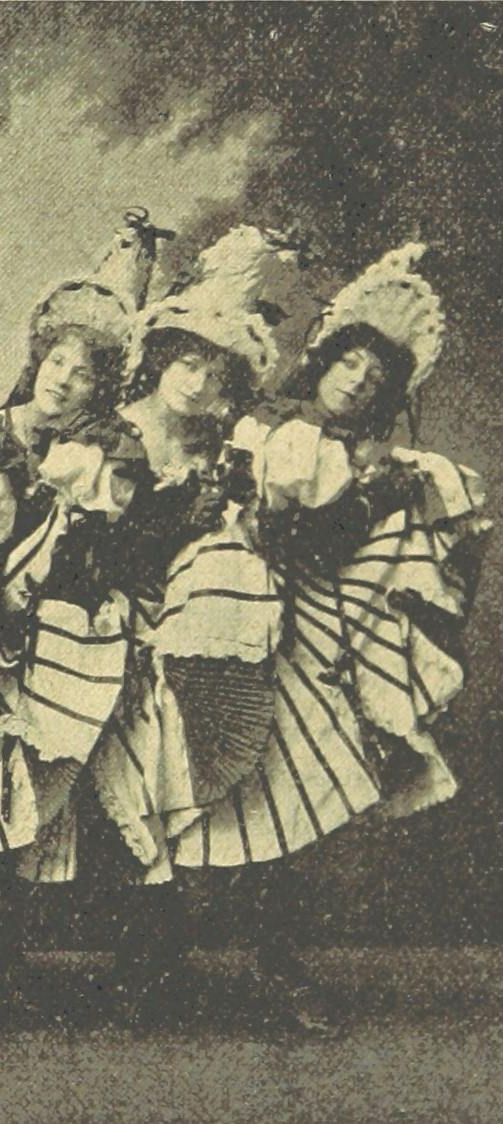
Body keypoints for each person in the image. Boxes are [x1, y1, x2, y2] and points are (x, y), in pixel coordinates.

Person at [164, 243, 489, 1031]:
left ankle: (274, 969)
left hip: (316, 637)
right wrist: (365, 501)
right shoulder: (270, 426)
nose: (354, 381)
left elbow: (352, 538)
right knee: (201, 778)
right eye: (347, 364)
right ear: (323, 361)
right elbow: (286, 538)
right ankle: (162, 964)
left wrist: (383, 497)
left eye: (373, 379)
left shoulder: (373, 458)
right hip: (244, 613)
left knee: (292, 799)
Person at [0, 210, 169, 1016]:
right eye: (56, 364)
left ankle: (20, 958)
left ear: (104, 389)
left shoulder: (108, 456)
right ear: (36, 361)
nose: (64, 381)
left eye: (85, 375)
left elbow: (117, 543)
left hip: (68, 637)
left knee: (41, 792)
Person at [84, 226, 305, 1024]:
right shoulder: (114, 433)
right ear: (161, 357)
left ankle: (155, 962)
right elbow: (97, 545)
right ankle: (127, 959)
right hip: (99, 613)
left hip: (180, 626)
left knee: (192, 756)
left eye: (215, 373)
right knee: (139, 756)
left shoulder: (222, 450)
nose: (197, 380)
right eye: (187, 361)